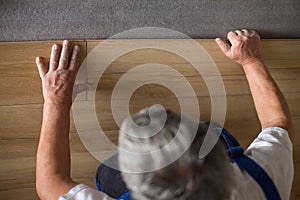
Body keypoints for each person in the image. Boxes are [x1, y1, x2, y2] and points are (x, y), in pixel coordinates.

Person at [35, 29, 294, 200]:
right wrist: (251, 60)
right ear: (219, 160)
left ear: (136, 187)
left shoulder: (265, 175)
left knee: (107, 171)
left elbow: (49, 183)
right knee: (215, 130)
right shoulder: (261, 179)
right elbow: (277, 124)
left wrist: (56, 101)